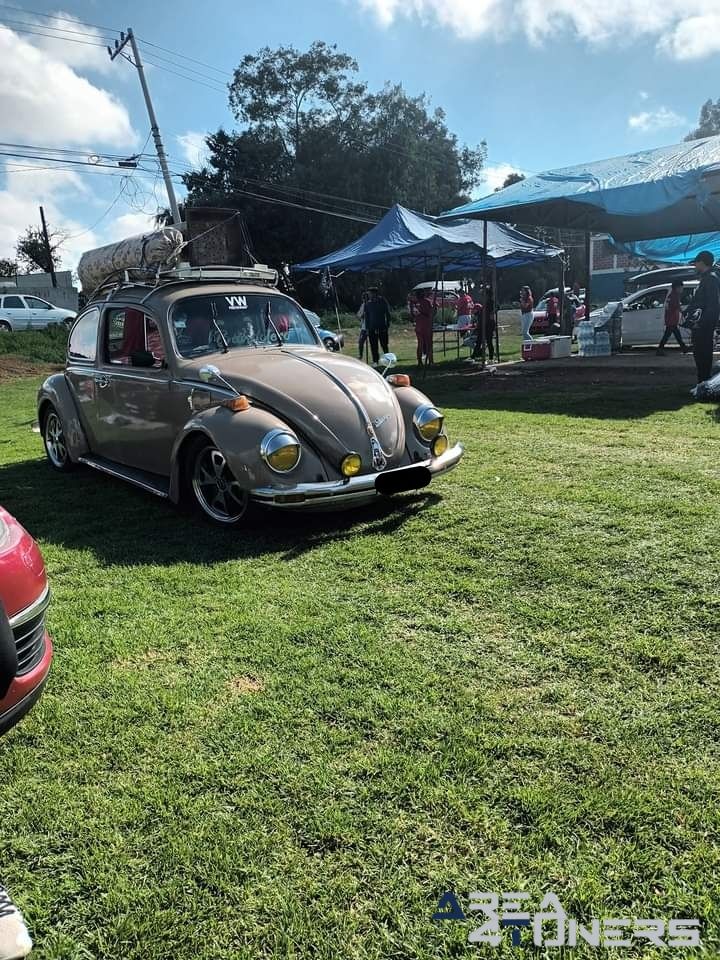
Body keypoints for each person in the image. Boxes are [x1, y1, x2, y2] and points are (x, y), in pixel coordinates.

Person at [685, 251, 720, 383]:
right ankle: (702, 383)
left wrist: (702, 323)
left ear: (701, 262)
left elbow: (713, 305)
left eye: (696, 263)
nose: (695, 266)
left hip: (704, 325)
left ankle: (704, 384)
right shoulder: (708, 278)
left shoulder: (711, 278)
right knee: (700, 355)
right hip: (701, 324)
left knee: (702, 355)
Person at [656, 279, 688, 355]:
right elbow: (677, 306)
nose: (682, 289)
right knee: (668, 335)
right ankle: (660, 350)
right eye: (681, 288)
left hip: (670, 319)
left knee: (676, 335)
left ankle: (684, 348)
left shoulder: (671, 295)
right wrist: (684, 313)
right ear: (677, 287)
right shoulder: (674, 296)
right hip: (672, 319)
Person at [363, 287, 391, 365]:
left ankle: (388, 360)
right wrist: (367, 328)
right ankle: (375, 361)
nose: (369, 295)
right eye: (368, 294)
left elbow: (387, 313)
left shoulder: (382, 301)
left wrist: (387, 324)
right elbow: (367, 317)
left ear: (375, 293)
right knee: (373, 346)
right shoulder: (368, 303)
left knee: (384, 345)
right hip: (372, 328)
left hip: (382, 326)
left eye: (370, 293)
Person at [413, 289, 434, 366]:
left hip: (418, 325)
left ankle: (419, 362)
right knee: (429, 344)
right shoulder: (427, 302)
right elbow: (431, 313)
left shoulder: (415, 303)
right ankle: (431, 362)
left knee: (420, 344)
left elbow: (413, 314)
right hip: (426, 325)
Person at [356, 291, 369, 360]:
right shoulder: (363, 305)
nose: (364, 299)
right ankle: (360, 355)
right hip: (364, 327)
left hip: (371, 326)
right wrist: (362, 316)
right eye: (364, 298)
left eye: (366, 298)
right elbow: (358, 315)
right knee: (361, 342)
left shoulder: (371, 304)